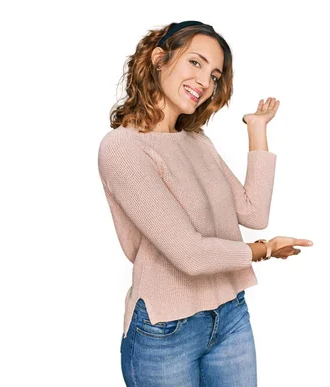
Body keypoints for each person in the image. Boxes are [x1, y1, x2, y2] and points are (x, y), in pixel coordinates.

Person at [98, 20, 314, 386]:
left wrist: (257, 129)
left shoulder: (197, 141)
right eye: (195, 63)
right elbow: (191, 255)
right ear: (159, 59)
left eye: (214, 75)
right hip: (166, 330)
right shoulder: (122, 148)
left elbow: (253, 213)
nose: (205, 81)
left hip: (229, 315)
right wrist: (263, 250)